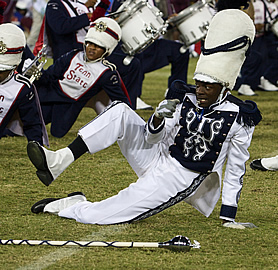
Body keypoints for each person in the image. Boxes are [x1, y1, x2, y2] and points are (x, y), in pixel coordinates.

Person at [27, 8, 261, 229]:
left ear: (222, 88)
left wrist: (228, 216)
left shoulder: (240, 117)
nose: (199, 91)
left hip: (180, 178)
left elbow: (235, 170)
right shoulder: (185, 97)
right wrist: (158, 118)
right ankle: (59, 160)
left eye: (206, 87)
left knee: (100, 217)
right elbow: (151, 138)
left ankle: (70, 205)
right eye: (198, 84)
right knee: (119, 110)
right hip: (157, 155)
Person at [33, 17, 131, 138]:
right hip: (52, 93)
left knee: (57, 133)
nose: (92, 48)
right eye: (90, 43)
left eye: (98, 46)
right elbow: (49, 75)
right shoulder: (73, 55)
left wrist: (132, 119)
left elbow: (120, 99)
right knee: (30, 120)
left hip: (70, 104)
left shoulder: (106, 73)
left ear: (107, 50)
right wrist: (36, 74)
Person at [106, 0, 190, 110]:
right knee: (136, 55)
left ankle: (176, 93)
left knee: (180, 51)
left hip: (152, 44)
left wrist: (168, 21)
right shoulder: (121, 2)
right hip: (130, 45)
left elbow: (152, 22)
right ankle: (135, 96)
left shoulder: (152, 1)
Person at [0, 22, 47, 145]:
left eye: (2, 70)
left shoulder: (21, 88)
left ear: (14, 66)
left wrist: (37, 147)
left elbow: (31, 123)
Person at [235, 0, 278, 96]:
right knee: (253, 59)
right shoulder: (255, 3)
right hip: (247, 37)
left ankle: (254, 83)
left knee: (262, 59)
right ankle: (244, 84)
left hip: (261, 36)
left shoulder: (264, 4)